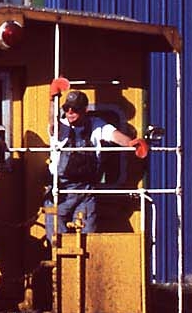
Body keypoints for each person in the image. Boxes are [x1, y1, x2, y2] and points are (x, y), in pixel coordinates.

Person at [50, 89, 146, 232]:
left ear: (85, 110)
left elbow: (115, 135)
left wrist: (132, 143)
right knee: (55, 235)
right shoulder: (61, 126)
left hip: (86, 191)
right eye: (66, 108)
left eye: (75, 108)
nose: (70, 112)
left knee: (88, 235)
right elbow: (53, 126)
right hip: (60, 190)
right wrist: (52, 100)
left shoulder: (97, 125)